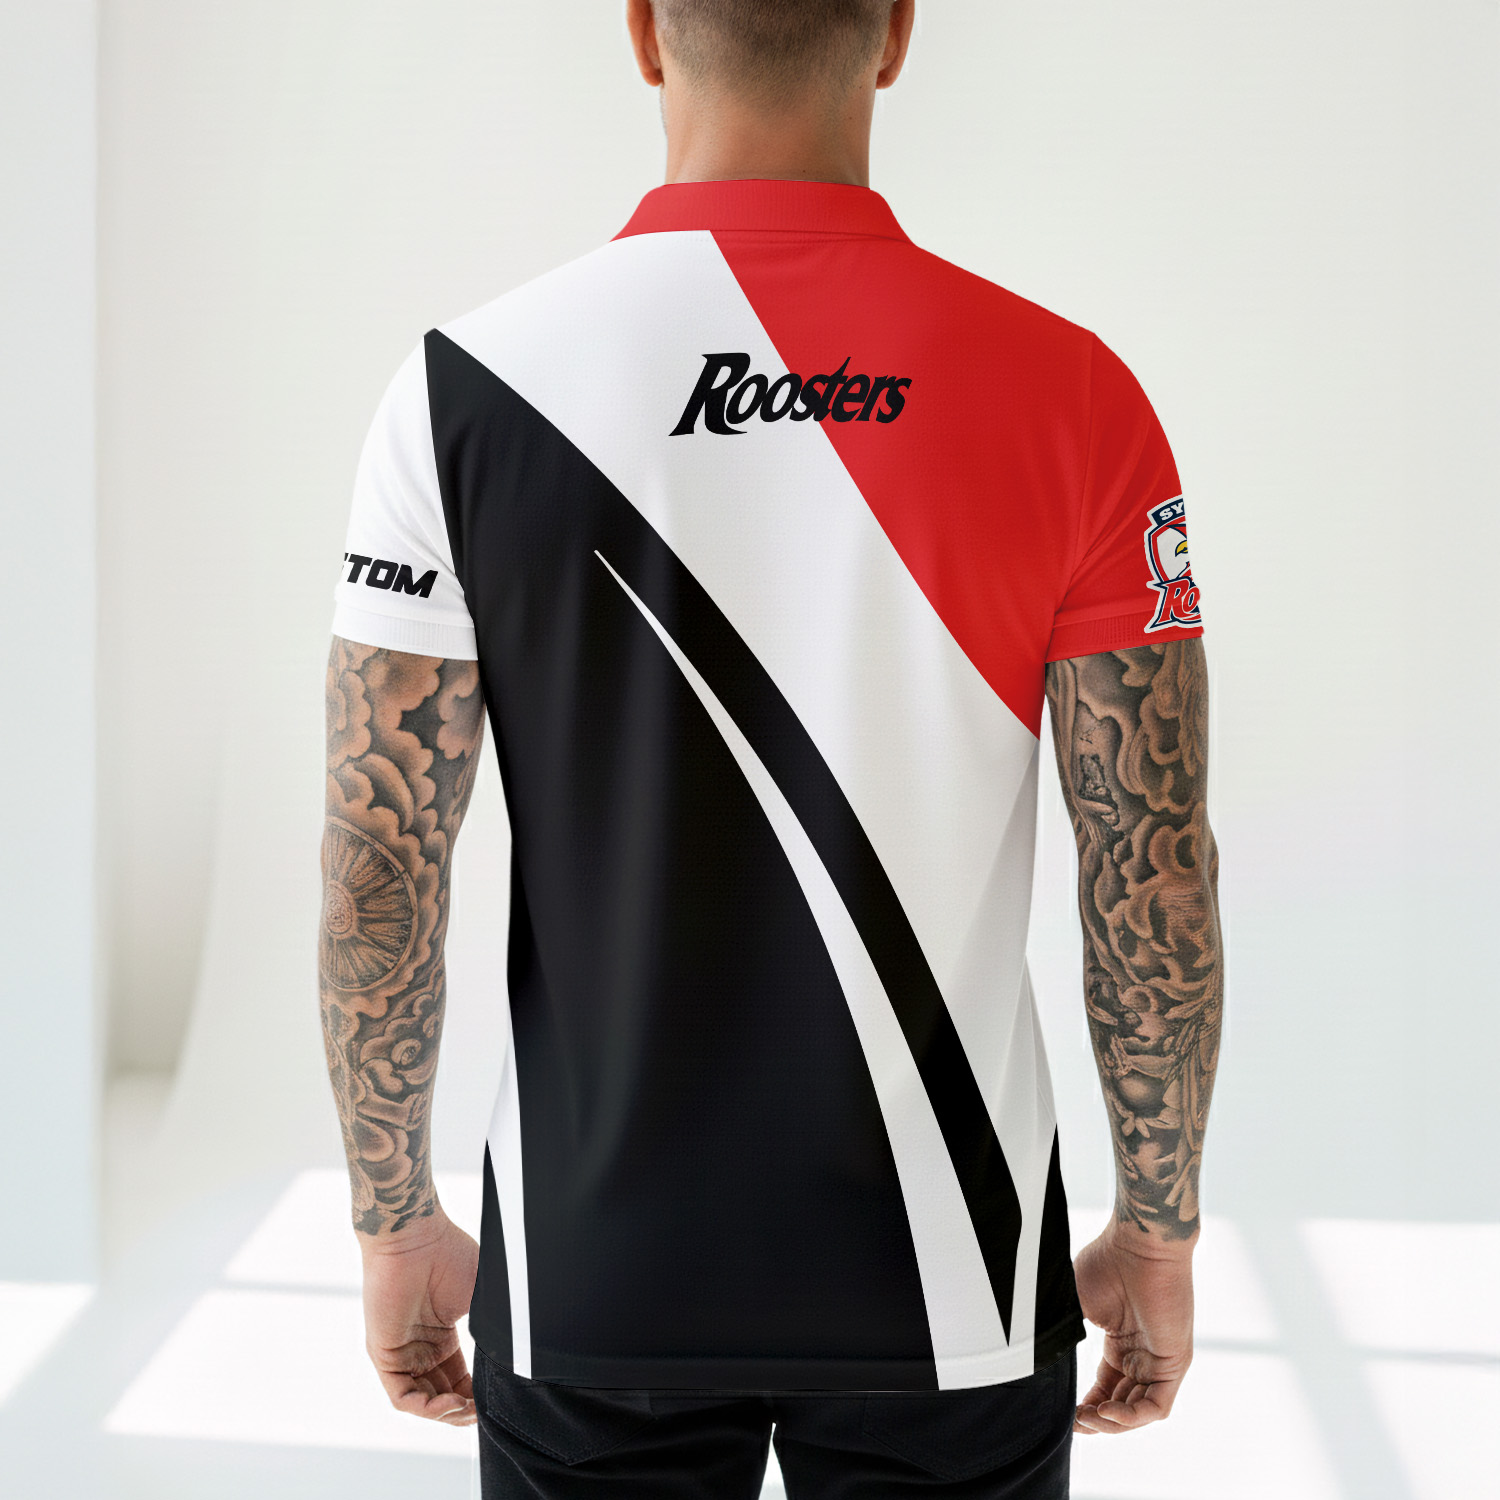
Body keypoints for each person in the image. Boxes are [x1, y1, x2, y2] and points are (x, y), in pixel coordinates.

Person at [318, 1, 1224, 1494]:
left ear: (642, 30)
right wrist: (1161, 1229)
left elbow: (381, 866)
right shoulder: (1078, 394)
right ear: (897, 32)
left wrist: (392, 1219)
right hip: (955, 1277)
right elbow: (1153, 865)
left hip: (595, 1270)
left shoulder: (462, 390)